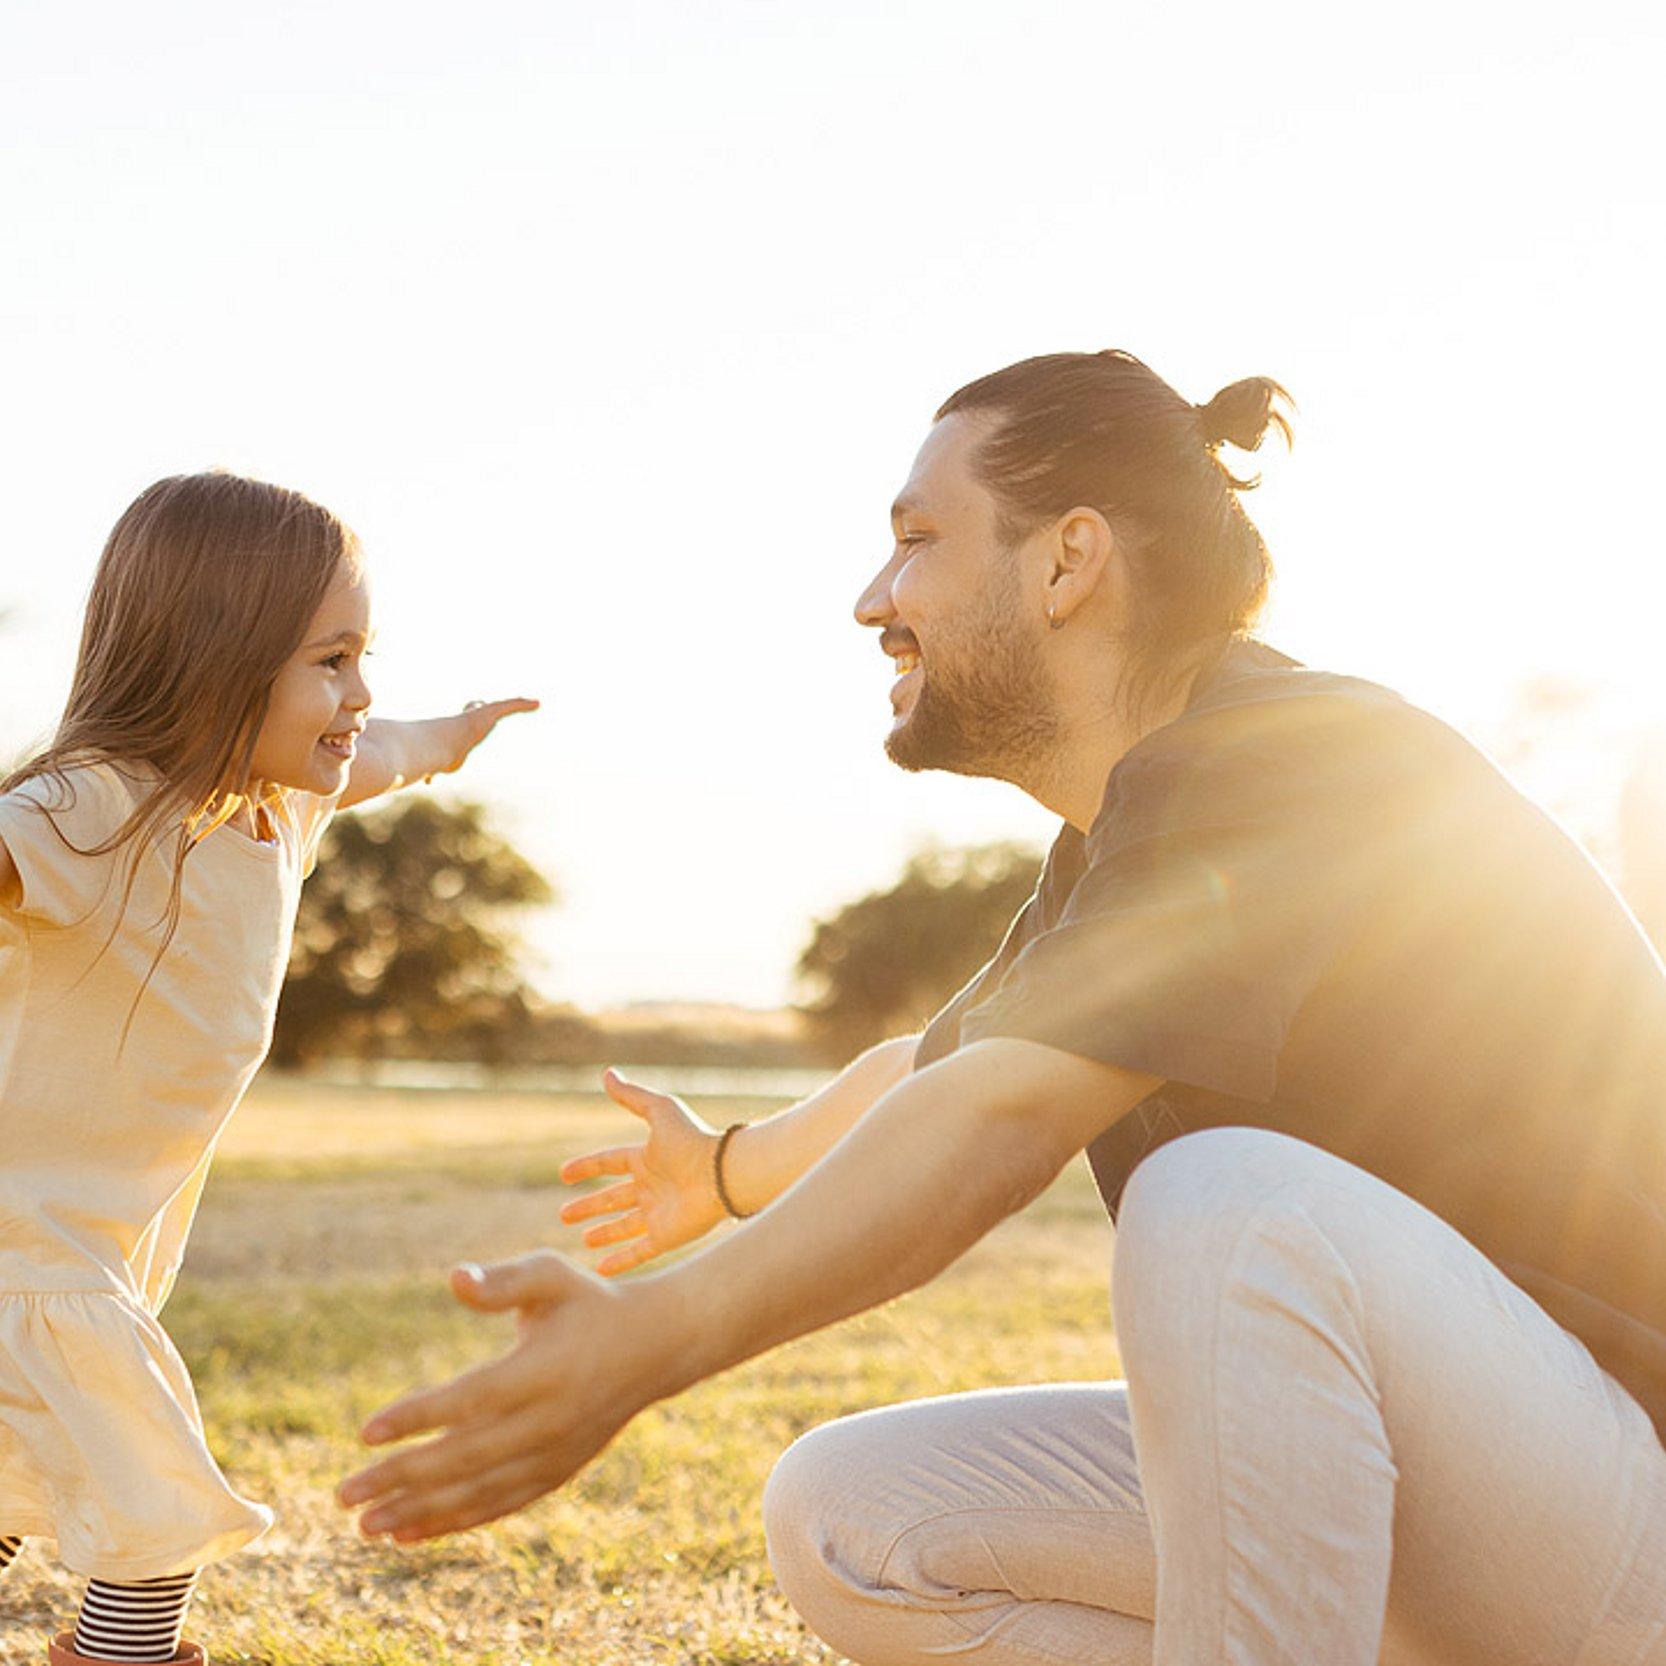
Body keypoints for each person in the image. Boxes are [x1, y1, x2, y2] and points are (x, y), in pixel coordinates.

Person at [339, 351, 1666, 1665]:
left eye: (915, 538)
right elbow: (935, 1066)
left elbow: (1005, 1109)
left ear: (1065, 561)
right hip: (1490, 1497)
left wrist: (654, 1334)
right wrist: (729, 1170)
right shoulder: (1131, 833)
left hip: (1627, 1513)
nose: (873, 599)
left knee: (1228, 1203)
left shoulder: (1294, 758)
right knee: (854, 1516)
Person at [0, 472, 536, 1666]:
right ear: (215, 658)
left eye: (362, 655)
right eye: (330, 660)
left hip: (86, 1257)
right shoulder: (91, 808)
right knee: (150, 1523)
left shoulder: (272, 815)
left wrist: (452, 736)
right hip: (24, 1256)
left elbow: (385, 749)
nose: (358, 693)